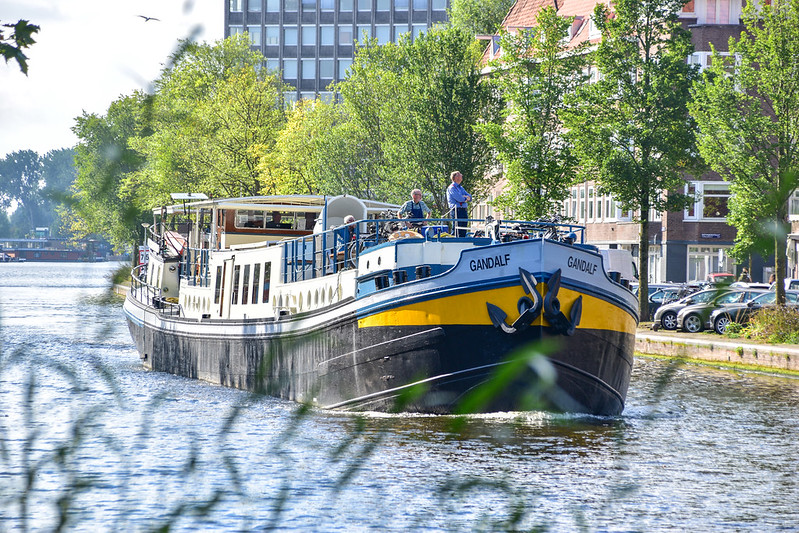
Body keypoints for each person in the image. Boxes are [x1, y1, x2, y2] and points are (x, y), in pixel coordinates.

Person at [447, 171, 471, 237]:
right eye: (460, 175)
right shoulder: (452, 187)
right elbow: (459, 198)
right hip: (456, 210)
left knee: (464, 227)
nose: (461, 176)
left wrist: (466, 197)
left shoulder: (461, 188)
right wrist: (465, 198)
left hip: (463, 210)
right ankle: (455, 241)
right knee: (457, 228)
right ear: (455, 177)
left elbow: (470, 196)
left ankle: (462, 240)